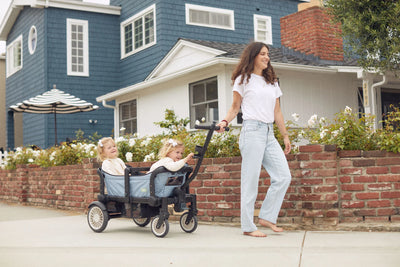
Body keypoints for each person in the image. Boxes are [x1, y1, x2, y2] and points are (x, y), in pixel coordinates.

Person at [217, 42, 292, 238]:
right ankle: (248, 226)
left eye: (268, 54)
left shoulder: (272, 81)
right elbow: (235, 107)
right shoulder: (243, 80)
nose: (267, 57)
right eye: (263, 54)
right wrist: (224, 121)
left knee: (283, 176)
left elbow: (277, 111)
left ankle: (267, 216)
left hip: (268, 133)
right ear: (253, 56)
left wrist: (284, 136)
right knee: (250, 181)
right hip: (251, 131)